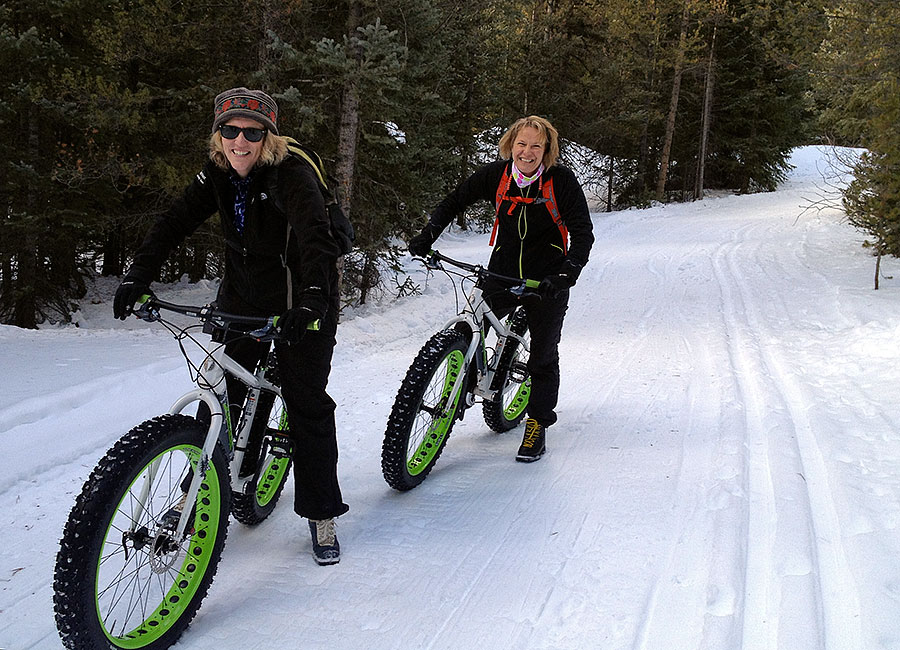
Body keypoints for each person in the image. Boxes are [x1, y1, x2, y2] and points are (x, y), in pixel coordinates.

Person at [113, 87, 348, 565]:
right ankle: (197, 489)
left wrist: (312, 303)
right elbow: (172, 222)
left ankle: (321, 513)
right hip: (244, 294)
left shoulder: (292, 175)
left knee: (307, 404)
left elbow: (317, 241)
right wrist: (137, 274)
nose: (240, 141)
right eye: (230, 130)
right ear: (218, 134)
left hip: (304, 295)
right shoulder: (217, 173)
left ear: (268, 137)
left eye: (252, 132)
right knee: (220, 394)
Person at [408, 115, 594, 462]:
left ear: (547, 150)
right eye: (521, 144)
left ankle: (537, 421)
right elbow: (455, 200)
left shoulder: (561, 181)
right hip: (503, 270)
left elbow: (582, 232)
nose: (527, 152)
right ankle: (470, 373)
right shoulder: (497, 175)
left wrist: (568, 272)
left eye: (536, 146)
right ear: (511, 145)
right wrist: (427, 235)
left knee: (542, 354)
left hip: (547, 279)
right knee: (474, 320)